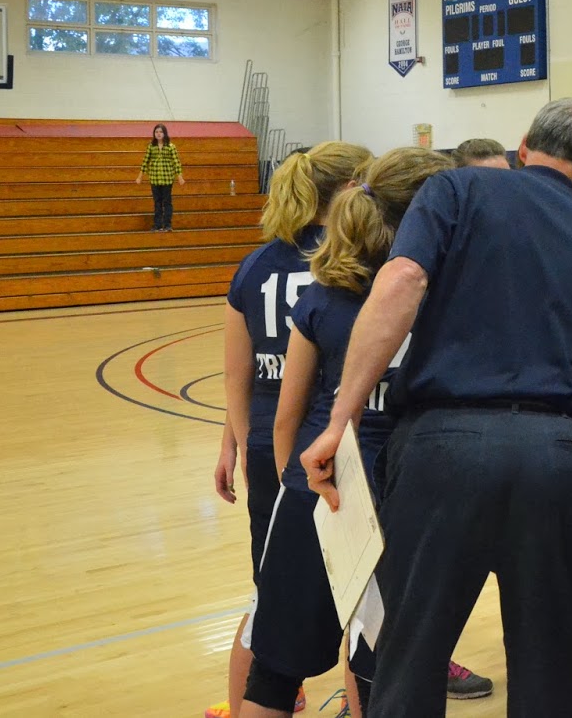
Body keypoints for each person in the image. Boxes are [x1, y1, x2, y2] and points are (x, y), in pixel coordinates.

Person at [300, 98, 572, 717]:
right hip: (559, 458)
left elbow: (401, 282)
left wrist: (342, 418)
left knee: (410, 656)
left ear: (524, 146)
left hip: (445, 449)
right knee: (550, 664)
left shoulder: (455, 189)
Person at [242, 147, 453, 718]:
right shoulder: (441, 300)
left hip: (321, 487)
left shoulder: (324, 296)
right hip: (403, 497)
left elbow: (288, 417)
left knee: (275, 671)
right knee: (389, 670)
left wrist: (299, 487)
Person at [213, 141, 370, 718]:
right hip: (323, 448)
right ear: (351, 189)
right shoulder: (349, 262)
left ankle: (251, 703)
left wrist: (234, 441)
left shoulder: (254, 265)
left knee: (269, 598)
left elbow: (238, 376)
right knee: (359, 604)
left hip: (267, 445)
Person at [136, 123, 185, 231]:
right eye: (156, 132)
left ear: (165, 133)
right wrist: (140, 176)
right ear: (154, 134)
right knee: (157, 202)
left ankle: (167, 224)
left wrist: (179, 176)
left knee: (167, 202)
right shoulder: (151, 146)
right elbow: (145, 162)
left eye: (160, 132)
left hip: (167, 179)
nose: (158, 134)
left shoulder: (171, 147)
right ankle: (157, 224)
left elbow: (176, 162)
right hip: (154, 179)